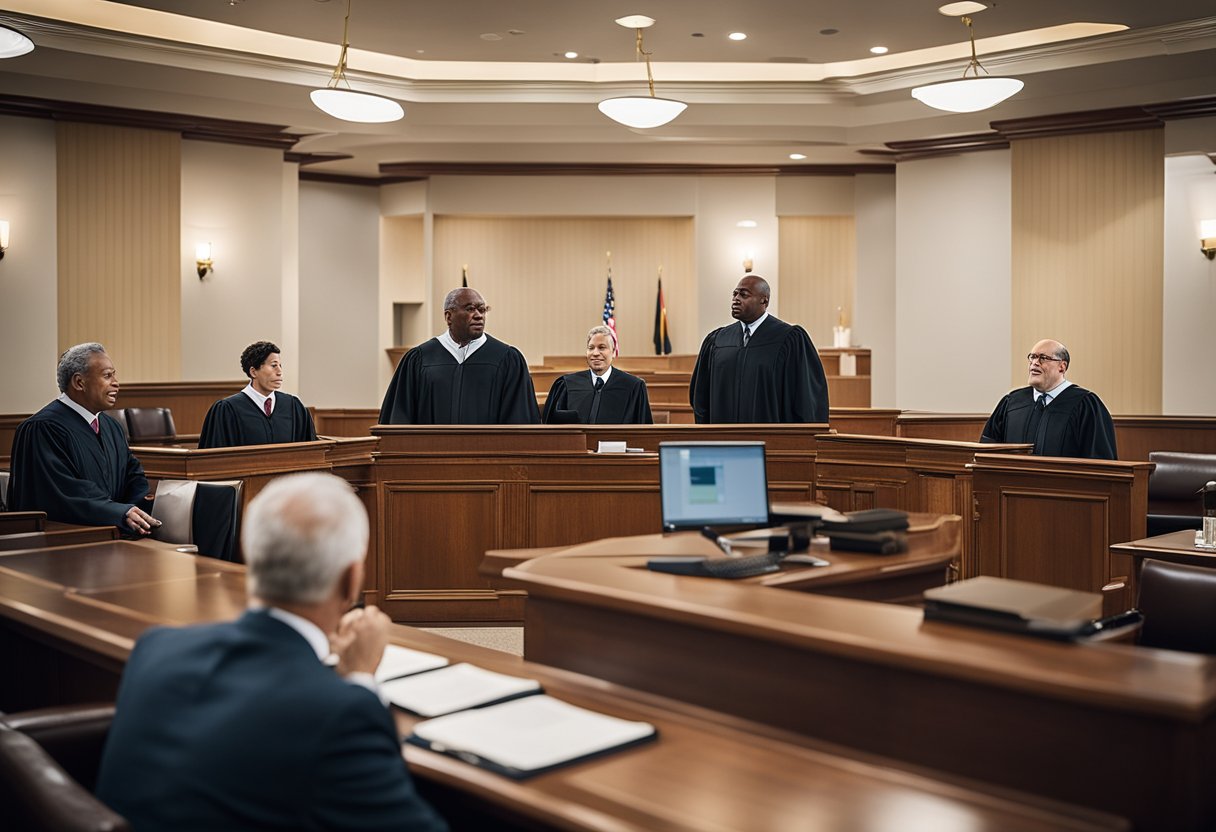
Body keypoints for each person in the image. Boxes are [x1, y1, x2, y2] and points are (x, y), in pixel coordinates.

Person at [96, 472, 448, 832]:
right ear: (351, 579)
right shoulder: (342, 713)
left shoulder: (156, 647)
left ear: (252, 555)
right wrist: (359, 678)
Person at [7, 342, 157, 534]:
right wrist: (118, 512)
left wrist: (133, 513)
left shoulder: (112, 427)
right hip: (65, 544)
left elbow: (133, 476)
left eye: (114, 375)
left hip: (115, 535)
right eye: (107, 375)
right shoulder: (42, 429)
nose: (116, 383)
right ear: (79, 382)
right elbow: (62, 493)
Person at [379, 287, 540, 425]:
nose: (478, 315)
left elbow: (520, 420)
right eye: (470, 309)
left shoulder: (507, 359)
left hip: (488, 458)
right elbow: (399, 419)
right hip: (431, 459)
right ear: (449, 316)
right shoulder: (419, 359)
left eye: (482, 309)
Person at [689, 275, 829, 423]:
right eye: (734, 294)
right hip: (723, 440)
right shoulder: (718, 340)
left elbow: (806, 397)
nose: (736, 299)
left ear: (764, 300)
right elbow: (700, 397)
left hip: (771, 440)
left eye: (744, 295)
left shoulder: (788, 339)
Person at [981, 339, 1117, 459]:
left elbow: (1100, 461)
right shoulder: (1011, 402)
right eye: (1032, 357)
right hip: (1011, 487)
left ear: (1062, 367)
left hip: (1064, 487)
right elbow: (987, 452)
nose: (1034, 363)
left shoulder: (1085, 404)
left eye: (1043, 358)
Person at [198, 341, 317, 448]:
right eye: (273, 365)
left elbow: (310, 451)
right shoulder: (227, 409)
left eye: (280, 366)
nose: (280, 372)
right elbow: (214, 460)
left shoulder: (293, 406)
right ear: (253, 372)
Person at [542, 325, 653, 424]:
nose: (595, 353)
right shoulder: (566, 384)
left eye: (602, 347)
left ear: (614, 352)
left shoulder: (633, 386)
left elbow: (642, 433)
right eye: (591, 348)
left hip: (617, 447)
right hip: (579, 447)